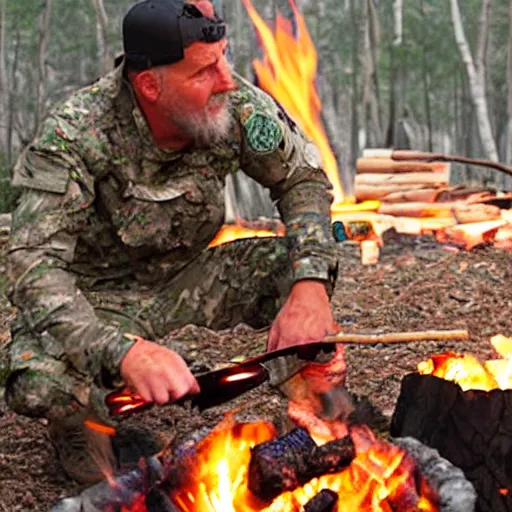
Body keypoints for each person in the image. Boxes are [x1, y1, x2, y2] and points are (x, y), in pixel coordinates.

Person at [4, 0, 339, 484]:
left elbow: (303, 181)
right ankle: (83, 426)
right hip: (98, 297)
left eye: (224, 57)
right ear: (149, 85)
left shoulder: (234, 102)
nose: (225, 78)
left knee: (303, 266)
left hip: (189, 277)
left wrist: (309, 286)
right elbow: (33, 267)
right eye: (205, 70)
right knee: (39, 383)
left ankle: (313, 402)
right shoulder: (77, 133)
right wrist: (121, 351)